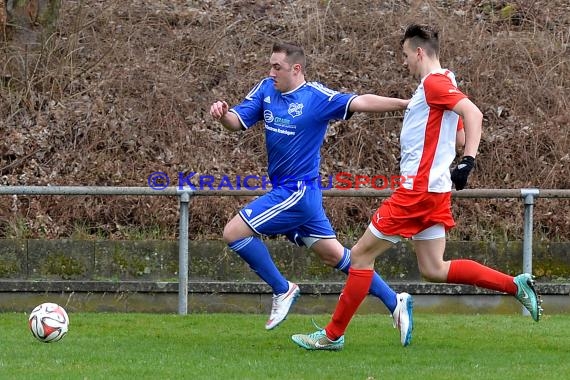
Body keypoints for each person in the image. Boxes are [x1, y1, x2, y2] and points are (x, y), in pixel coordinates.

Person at [291, 24, 543, 351]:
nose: (406, 63)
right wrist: (459, 150)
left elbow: (473, 113)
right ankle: (515, 285)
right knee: (434, 268)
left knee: (360, 257)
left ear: (419, 52)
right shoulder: (444, 84)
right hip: (434, 193)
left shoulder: (435, 83)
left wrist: (468, 161)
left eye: (407, 56)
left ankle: (332, 335)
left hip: (417, 192)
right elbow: (460, 133)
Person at [209, 41, 414, 345]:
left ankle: (283, 289)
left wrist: (404, 104)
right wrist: (222, 114)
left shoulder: (316, 98)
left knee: (234, 232)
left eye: (277, 67)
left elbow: (360, 101)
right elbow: (237, 122)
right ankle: (394, 301)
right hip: (291, 192)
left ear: (296, 68)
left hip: (297, 192)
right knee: (336, 256)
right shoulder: (266, 89)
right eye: (270, 66)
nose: (271, 72)